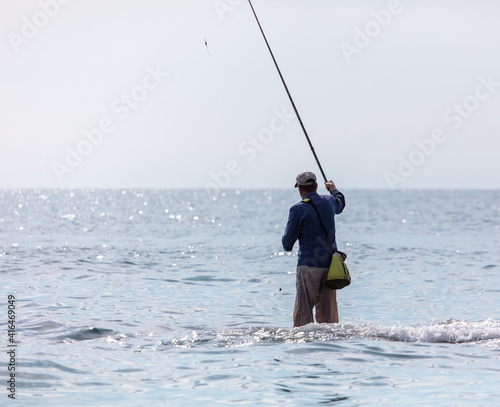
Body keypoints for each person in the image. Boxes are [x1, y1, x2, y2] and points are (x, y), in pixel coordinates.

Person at [282, 171, 346, 327]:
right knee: (329, 320)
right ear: (316, 186)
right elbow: (340, 204)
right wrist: (333, 189)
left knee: (303, 317)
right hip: (330, 266)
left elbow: (287, 244)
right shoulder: (330, 201)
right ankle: (328, 347)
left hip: (308, 266)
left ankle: (305, 347)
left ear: (300, 189)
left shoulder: (297, 209)